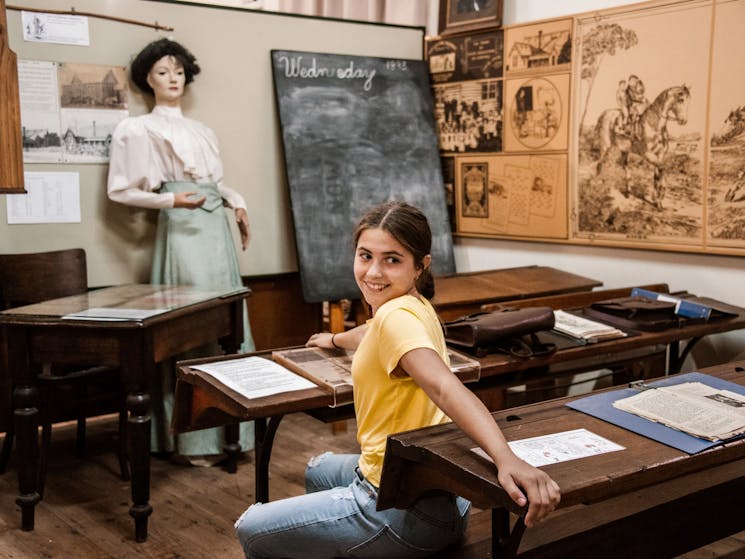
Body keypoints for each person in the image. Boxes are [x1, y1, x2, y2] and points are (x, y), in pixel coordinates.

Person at [235, 201, 560, 558]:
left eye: (392, 259)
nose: (373, 272)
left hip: (401, 510)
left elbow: (444, 386)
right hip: (435, 494)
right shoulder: (412, 305)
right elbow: (372, 332)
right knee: (317, 470)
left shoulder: (395, 317)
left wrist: (506, 459)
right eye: (365, 256)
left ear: (421, 265)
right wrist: (335, 339)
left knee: (251, 528)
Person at [107, 38, 255, 463]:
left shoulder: (202, 131)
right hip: (183, 231)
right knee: (191, 328)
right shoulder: (138, 129)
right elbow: (120, 191)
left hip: (216, 231)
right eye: (161, 72)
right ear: (147, 80)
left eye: (178, 72)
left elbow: (215, 183)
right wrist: (172, 200)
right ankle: (191, 441)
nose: (172, 79)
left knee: (230, 325)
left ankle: (235, 436)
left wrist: (238, 201)